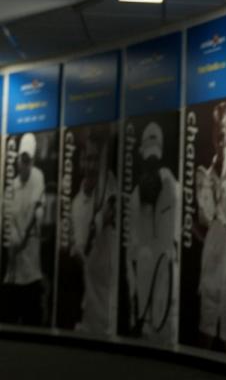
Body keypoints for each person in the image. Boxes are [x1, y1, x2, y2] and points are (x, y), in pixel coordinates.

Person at [196, 101, 226, 353]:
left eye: (225, 126)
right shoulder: (206, 172)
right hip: (211, 259)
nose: (221, 132)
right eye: (217, 128)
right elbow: (203, 219)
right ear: (213, 133)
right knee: (206, 328)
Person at [127, 121, 177, 343]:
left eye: (155, 160)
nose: (151, 166)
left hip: (168, 305)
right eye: (148, 161)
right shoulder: (134, 200)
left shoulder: (171, 186)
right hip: (144, 310)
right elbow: (132, 259)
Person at [70, 128, 118, 334]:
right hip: (89, 312)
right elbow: (83, 248)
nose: (91, 166)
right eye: (88, 159)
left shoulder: (111, 183)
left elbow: (110, 209)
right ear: (81, 161)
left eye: (96, 160)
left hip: (112, 314)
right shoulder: (76, 205)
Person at [1, 133, 46, 325]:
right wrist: (13, 244)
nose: (24, 164)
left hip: (32, 274)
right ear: (18, 159)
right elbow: (5, 220)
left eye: (28, 160)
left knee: (32, 326)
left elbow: (34, 213)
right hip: (13, 274)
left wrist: (23, 238)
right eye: (22, 159)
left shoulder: (38, 177)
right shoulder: (11, 188)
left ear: (33, 160)